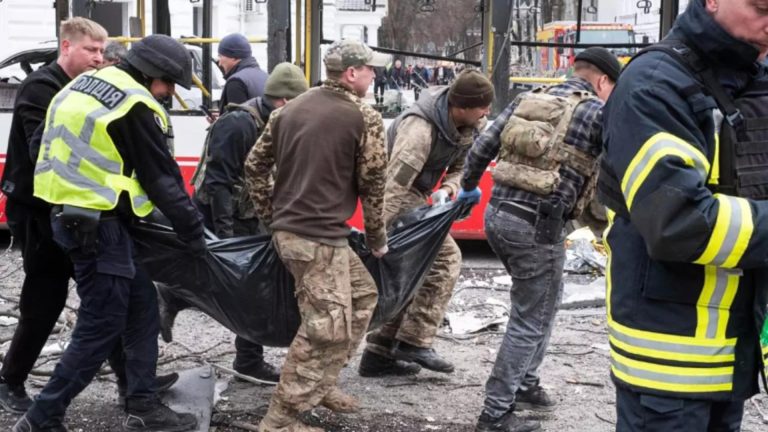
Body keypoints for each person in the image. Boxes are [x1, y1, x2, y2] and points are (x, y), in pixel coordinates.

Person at [14, 34, 206, 432]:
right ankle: (42, 416)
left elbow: (37, 146)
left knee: (142, 305)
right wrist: (194, 235)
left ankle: (143, 405)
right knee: (101, 325)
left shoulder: (80, 86)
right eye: (169, 84)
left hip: (72, 217)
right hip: (99, 227)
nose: (169, 93)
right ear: (152, 73)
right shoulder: (134, 104)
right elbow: (162, 180)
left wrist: (74, 187)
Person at [597, 0, 768, 430]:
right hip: (668, 365)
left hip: (729, 356)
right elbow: (678, 223)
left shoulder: (747, 78)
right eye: (762, 7)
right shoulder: (654, 85)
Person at [461, 47, 619, 432]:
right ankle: (496, 412)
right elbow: (615, 173)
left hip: (497, 216)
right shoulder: (597, 114)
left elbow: (481, 148)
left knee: (545, 300)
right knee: (530, 316)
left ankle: (526, 382)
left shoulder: (528, 99)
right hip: (537, 227)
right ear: (603, 81)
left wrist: (468, 187)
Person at [244, 39, 390, 432]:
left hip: (304, 235)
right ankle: (280, 420)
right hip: (317, 239)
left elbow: (254, 166)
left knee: (362, 296)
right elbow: (374, 185)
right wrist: (377, 238)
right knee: (324, 328)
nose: (374, 75)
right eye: (370, 69)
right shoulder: (364, 116)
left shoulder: (288, 111)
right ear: (352, 73)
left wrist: (272, 217)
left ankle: (321, 382)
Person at [359, 69, 494, 378]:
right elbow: (393, 187)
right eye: (482, 106)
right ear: (462, 106)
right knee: (445, 261)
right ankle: (414, 341)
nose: (487, 112)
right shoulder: (419, 130)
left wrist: (449, 188)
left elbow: (463, 166)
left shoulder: (468, 122)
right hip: (399, 194)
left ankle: (380, 352)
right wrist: (376, 236)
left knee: (414, 270)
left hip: (420, 194)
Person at [185, 62, 309, 383]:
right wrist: (226, 239)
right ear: (283, 100)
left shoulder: (275, 121)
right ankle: (247, 359)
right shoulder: (239, 124)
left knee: (255, 287)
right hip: (224, 218)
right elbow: (218, 183)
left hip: (250, 216)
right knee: (239, 287)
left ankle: (248, 358)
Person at [217, 33, 268, 112]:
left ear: (233, 57)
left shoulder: (236, 82)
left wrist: (221, 120)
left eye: (220, 56)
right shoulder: (266, 76)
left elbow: (237, 118)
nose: (219, 63)